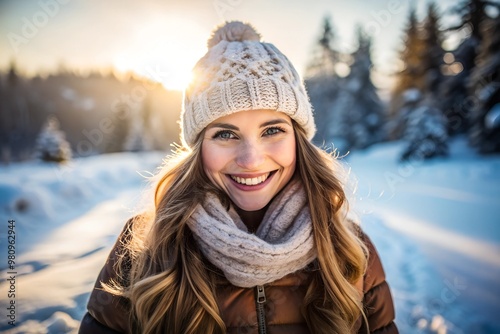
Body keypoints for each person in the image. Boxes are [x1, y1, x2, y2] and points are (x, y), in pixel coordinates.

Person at [79, 21, 398, 334]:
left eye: (272, 130)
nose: (251, 159)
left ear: (298, 140)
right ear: (198, 148)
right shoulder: (142, 248)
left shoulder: (350, 250)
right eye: (225, 134)